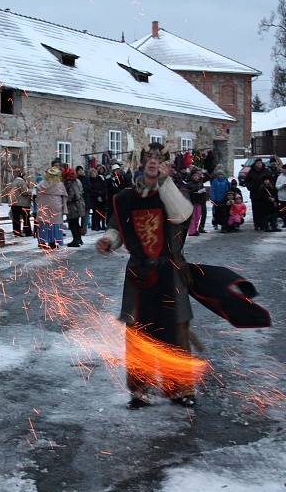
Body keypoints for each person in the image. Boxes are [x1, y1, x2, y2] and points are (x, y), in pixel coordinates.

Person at [95, 142, 271, 409]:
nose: (153, 162)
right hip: (138, 272)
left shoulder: (175, 194)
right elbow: (118, 226)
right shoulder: (125, 197)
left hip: (170, 270)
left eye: (159, 158)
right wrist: (109, 240)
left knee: (175, 330)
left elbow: (180, 214)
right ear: (141, 161)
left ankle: (179, 388)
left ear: (167, 164)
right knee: (137, 333)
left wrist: (164, 181)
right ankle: (140, 390)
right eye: (149, 158)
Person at [35, 167, 68, 249]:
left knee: (44, 224)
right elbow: (65, 196)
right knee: (55, 225)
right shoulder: (60, 185)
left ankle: (42, 242)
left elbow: (37, 194)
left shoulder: (42, 184)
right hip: (56, 206)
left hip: (44, 206)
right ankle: (53, 242)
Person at [245, 158, 271, 230]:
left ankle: (264, 224)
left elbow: (270, 179)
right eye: (258, 163)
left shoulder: (266, 171)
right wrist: (250, 187)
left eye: (260, 163)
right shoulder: (251, 172)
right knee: (256, 210)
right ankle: (257, 224)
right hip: (254, 193)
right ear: (255, 164)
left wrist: (267, 185)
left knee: (264, 209)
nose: (259, 164)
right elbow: (247, 182)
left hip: (264, 193)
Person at [63, 167, 85, 247]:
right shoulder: (77, 180)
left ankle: (76, 240)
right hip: (79, 204)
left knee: (73, 223)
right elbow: (81, 191)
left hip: (72, 206)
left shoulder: (69, 182)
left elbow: (72, 195)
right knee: (76, 223)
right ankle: (79, 239)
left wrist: (65, 200)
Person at [7, 169, 32, 237]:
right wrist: (31, 191)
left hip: (14, 203)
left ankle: (16, 232)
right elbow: (24, 192)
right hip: (23, 203)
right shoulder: (21, 182)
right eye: (25, 176)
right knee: (26, 218)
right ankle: (28, 232)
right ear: (22, 176)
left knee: (16, 219)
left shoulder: (14, 181)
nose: (26, 177)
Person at [186, 169, 207, 236]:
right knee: (192, 217)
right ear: (191, 176)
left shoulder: (200, 183)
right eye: (194, 175)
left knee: (197, 217)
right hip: (192, 203)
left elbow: (203, 193)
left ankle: (195, 229)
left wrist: (202, 197)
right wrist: (194, 191)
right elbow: (187, 193)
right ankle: (192, 231)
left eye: (197, 175)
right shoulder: (189, 184)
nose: (196, 177)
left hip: (199, 202)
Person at [76, 165, 91, 234]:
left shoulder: (86, 178)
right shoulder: (75, 179)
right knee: (78, 215)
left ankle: (84, 229)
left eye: (81, 170)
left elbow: (89, 187)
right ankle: (79, 229)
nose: (81, 171)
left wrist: (82, 188)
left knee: (85, 216)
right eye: (79, 170)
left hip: (86, 199)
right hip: (78, 199)